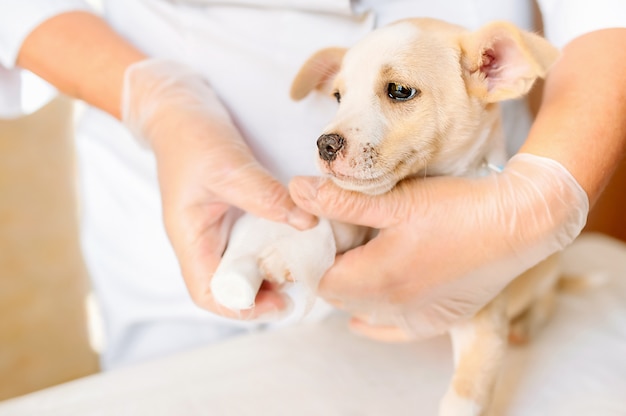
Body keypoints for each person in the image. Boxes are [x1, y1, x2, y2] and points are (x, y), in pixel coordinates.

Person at [0, 0, 624, 369]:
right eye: (339, 94)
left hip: (472, 229)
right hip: (177, 270)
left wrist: (546, 191)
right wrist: (156, 101)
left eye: (395, 92)